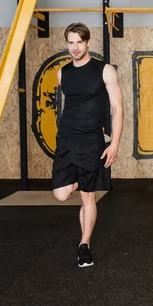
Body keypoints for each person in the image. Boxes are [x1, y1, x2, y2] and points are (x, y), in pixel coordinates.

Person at [52, 22, 124, 268]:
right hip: (66, 139)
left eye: (79, 42)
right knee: (61, 195)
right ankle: (87, 180)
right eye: (70, 42)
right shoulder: (62, 73)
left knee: (87, 197)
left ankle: (85, 244)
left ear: (87, 42)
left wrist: (114, 143)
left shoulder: (105, 71)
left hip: (92, 139)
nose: (74, 47)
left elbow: (117, 108)